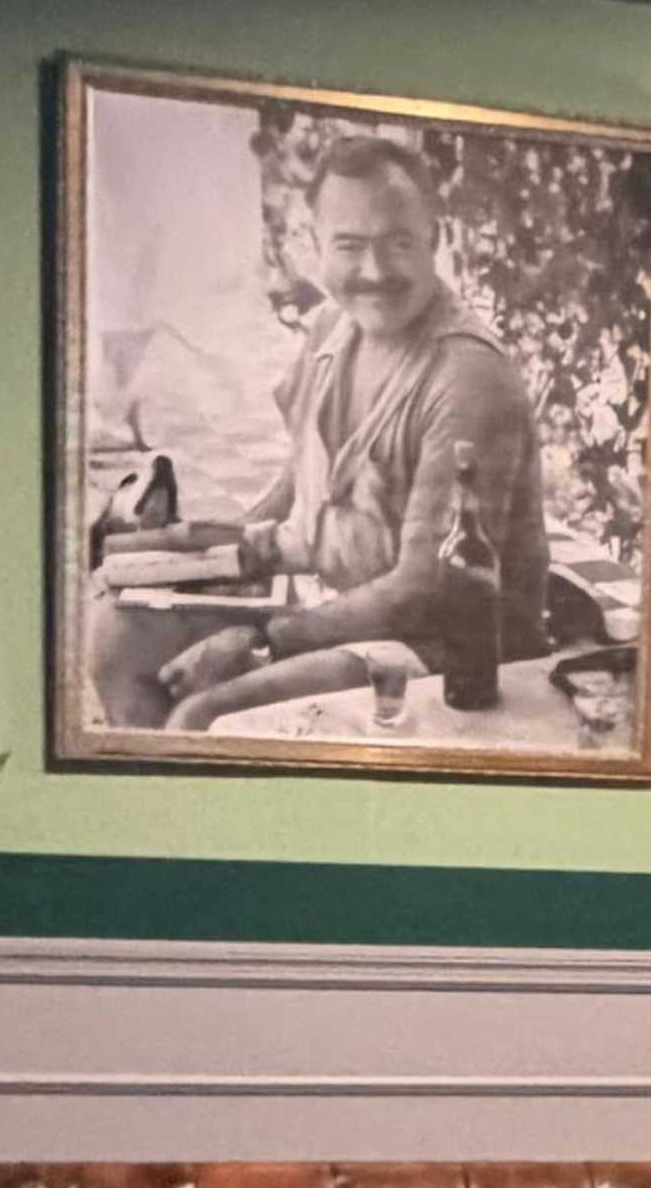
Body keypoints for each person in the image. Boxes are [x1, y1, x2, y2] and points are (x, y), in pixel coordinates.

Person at [90, 132, 551, 737]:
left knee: (205, 713)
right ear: (315, 247)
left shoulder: (467, 375)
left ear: (435, 239)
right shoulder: (336, 326)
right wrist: (214, 555)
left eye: (399, 243)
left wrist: (260, 642)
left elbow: (423, 590)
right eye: (350, 245)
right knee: (116, 639)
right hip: (337, 598)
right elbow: (301, 470)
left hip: (449, 644)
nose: (375, 271)